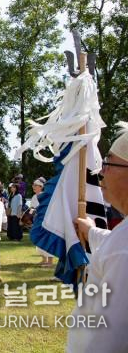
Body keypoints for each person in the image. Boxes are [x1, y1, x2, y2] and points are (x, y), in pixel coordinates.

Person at [68, 123, 128, 352]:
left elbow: (111, 340)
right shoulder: (120, 242)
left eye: (109, 163)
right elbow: (113, 243)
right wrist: (91, 230)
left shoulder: (123, 251)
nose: (101, 172)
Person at [30, 177, 53, 266]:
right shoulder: (34, 197)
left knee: (47, 240)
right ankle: (44, 259)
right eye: (33, 185)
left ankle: (50, 262)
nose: (33, 187)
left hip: (46, 221)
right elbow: (31, 208)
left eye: (36, 185)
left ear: (41, 186)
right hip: (37, 221)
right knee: (39, 240)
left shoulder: (45, 195)